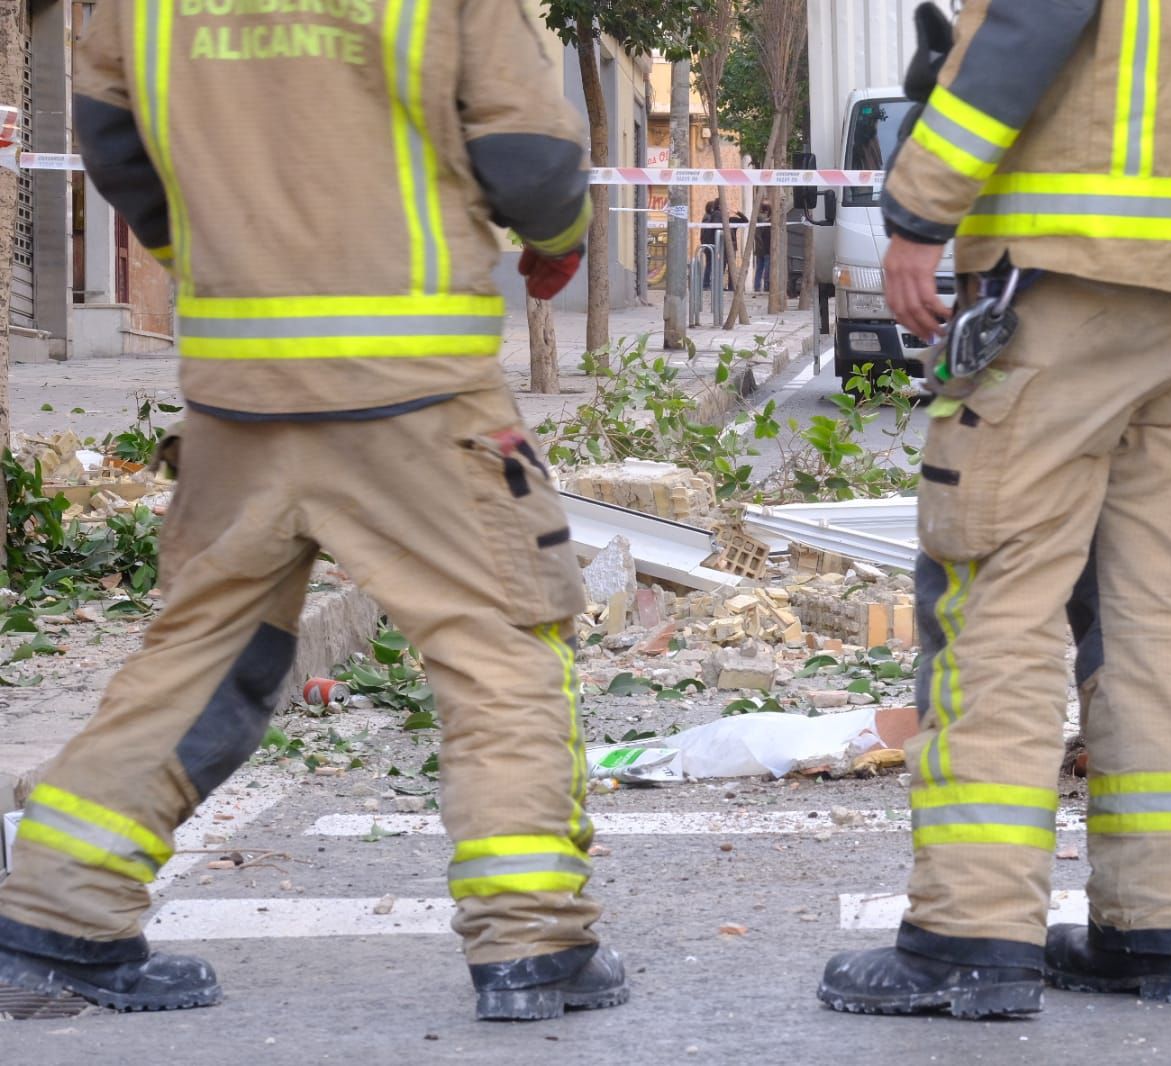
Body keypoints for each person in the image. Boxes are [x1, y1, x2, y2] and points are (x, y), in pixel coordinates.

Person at [0, 0, 626, 1024]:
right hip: (413, 388)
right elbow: (528, 154)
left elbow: (112, 141)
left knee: (200, 651)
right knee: (498, 643)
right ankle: (529, 944)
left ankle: (58, 917)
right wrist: (557, 238)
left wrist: (222, 254)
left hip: (239, 390)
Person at [815, 0, 1171, 1019]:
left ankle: (968, 936)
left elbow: (1025, 23)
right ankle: (1163, 930)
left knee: (999, 595)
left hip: (1073, 272)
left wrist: (919, 207)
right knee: (1159, 613)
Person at [700, 200, 721, 290]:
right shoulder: (708, 218)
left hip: (707, 243)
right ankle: (706, 284)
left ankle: (707, 283)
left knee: (710, 264)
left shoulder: (707, 217)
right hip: (709, 244)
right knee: (709, 264)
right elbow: (707, 233)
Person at [753, 202, 774, 294]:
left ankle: (756, 286)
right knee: (767, 268)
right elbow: (766, 236)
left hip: (759, 249)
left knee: (759, 268)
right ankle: (766, 286)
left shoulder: (758, 219)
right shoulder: (767, 221)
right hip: (766, 249)